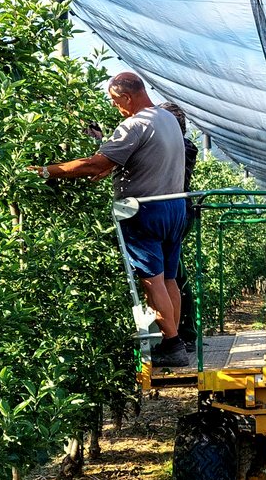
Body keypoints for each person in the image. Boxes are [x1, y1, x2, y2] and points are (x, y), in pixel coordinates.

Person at [27, 72, 189, 367]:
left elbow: (94, 163)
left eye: (116, 102)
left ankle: (172, 343)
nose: (117, 108)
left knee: (151, 280)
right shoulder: (167, 119)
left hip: (145, 212)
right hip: (174, 207)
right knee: (168, 278)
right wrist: (109, 167)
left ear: (127, 97)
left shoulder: (135, 124)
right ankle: (174, 342)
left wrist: (47, 171)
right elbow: (140, 160)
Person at [158, 101, 198, 353]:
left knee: (173, 275)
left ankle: (184, 334)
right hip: (178, 211)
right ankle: (183, 333)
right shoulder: (183, 146)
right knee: (172, 273)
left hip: (173, 213)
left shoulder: (181, 147)